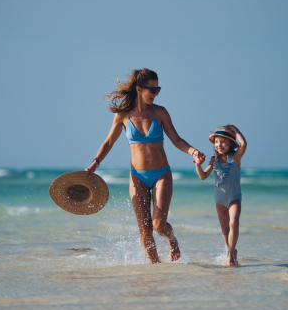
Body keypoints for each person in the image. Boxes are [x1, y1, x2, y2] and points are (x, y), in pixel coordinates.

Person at [86, 69, 206, 263]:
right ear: (139, 89)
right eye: (152, 89)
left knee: (158, 225)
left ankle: (172, 239)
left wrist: (193, 151)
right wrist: (95, 163)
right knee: (145, 230)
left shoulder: (160, 112)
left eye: (158, 89)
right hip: (137, 177)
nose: (156, 93)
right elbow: (109, 142)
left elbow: (176, 139)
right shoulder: (123, 115)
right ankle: (155, 269)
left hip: (161, 175)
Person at [194, 125, 247, 266]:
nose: (219, 145)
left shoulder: (236, 157)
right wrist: (198, 165)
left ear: (231, 143)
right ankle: (232, 251)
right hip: (219, 200)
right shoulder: (213, 160)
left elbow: (244, 144)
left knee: (234, 222)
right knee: (225, 231)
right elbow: (203, 176)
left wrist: (236, 130)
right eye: (217, 142)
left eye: (223, 141)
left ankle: (230, 254)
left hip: (234, 198)